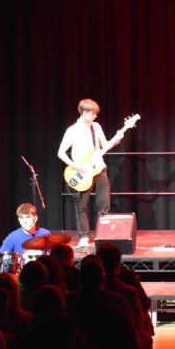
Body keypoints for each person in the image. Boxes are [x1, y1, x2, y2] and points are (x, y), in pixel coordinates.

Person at [58, 98, 123, 249]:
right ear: (85, 112)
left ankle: (103, 234)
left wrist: (117, 138)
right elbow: (61, 153)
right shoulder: (72, 130)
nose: (95, 116)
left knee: (104, 203)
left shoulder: (96, 127)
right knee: (81, 205)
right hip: (81, 172)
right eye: (93, 113)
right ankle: (84, 236)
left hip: (99, 168)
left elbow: (105, 145)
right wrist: (76, 166)